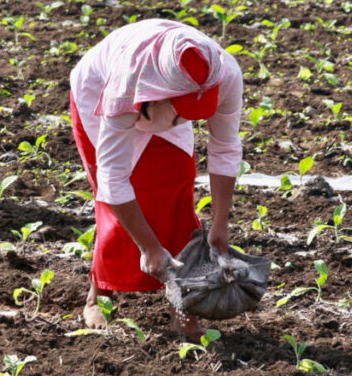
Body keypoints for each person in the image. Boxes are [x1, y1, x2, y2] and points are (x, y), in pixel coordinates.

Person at [69, 19, 243, 336]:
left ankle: (182, 305)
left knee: (176, 187)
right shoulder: (123, 87)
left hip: (161, 101)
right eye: (182, 110)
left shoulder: (222, 74)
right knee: (118, 204)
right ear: (160, 96)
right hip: (99, 94)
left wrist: (220, 222)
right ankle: (98, 294)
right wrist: (150, 248)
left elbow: (226, 148)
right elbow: (113, 180)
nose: (188, 119)